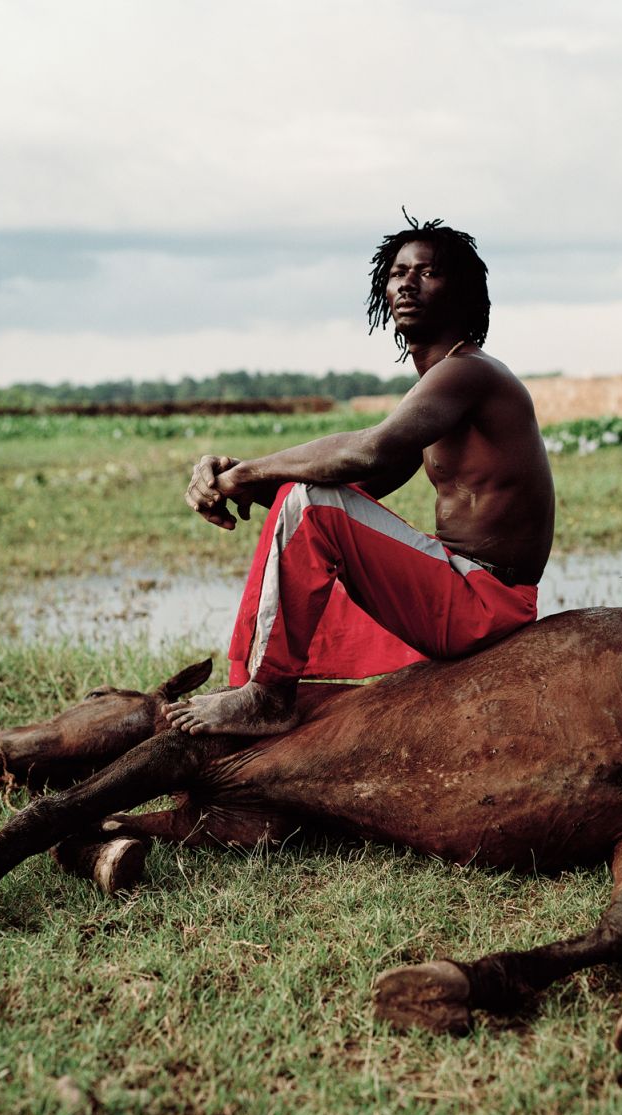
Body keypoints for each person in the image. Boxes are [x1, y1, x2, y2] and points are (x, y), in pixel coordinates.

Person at [164, 216, 555, 737]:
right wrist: (243, 479)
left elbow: (369, 452)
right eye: (397, 273)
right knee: (302, 500)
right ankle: (259, 680)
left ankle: (269, 693)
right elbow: (365, 479)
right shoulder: (444, 381)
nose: (407, 284)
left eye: (428, 273)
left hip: (484, 600)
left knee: (309, 502)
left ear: (463, 294)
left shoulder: (470, 372)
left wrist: (248, 473)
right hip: (464, 585)